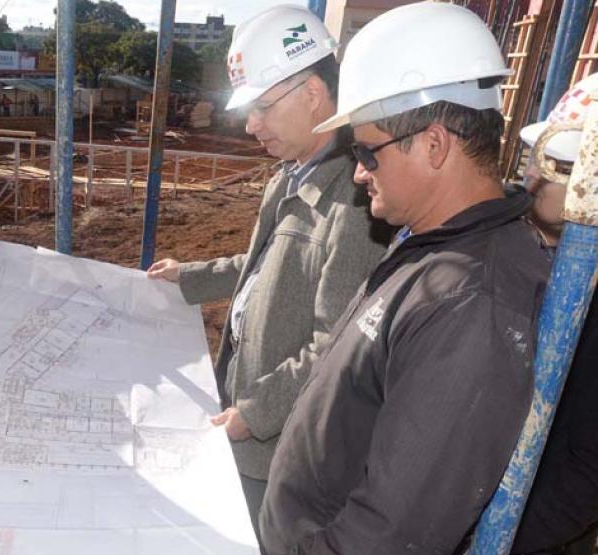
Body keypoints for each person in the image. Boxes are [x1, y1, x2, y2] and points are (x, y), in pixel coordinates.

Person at [259, 3, 551, 554]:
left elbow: (390, 537)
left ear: (434, 144)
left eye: (367, 151)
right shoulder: (434, 247)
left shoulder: (472, 302)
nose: (358, 172)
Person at [146, 5, 390, 537]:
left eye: (261, 107)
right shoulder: (291, 175)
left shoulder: (356, 200)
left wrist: (256, 413)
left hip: (279, 448)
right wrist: (191, 276)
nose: (250, 125)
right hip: (249, 417)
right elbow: (264, 268)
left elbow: (337, 343)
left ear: (312, 94)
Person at [510, 73, 598, 555]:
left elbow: (587, 470)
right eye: (537, 154)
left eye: (561, 164)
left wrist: (493, 538)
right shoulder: (501, 231)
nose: (534, 170)